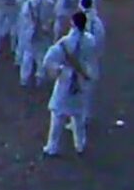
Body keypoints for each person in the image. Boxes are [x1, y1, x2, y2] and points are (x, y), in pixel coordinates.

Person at [41, 11, 99, 157]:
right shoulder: (91, 41)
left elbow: (49, 59)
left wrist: (58, 70)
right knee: (78, 116)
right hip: (81, 79)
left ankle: (52, 146)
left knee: (57, 116)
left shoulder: (65, 42)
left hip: (66, 79)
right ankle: (80, 144)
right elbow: (92, 60)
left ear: (72, 23)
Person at [17, 0, 55, 87]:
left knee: (28, 56)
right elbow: (52, 18)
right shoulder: (50, 3)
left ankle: (24, 78)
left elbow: (24, 18)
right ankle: (40, 77)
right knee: (41, 56)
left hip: (30, 32)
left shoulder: (28, 3)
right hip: (44, 32)